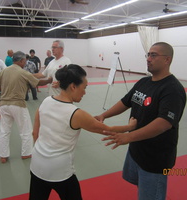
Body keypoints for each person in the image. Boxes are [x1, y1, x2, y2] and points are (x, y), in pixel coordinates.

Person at [29, 64, 137, 200]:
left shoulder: (46, 101)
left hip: (37, 164)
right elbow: (107, 130)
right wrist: (130, 127)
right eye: (84, 87)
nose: (85, 92)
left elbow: (35, 133)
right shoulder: (76, 114)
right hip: (59, 170)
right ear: (73, 86)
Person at [95, 42, 186, 200]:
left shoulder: (173, 89)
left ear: (167, 60)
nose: (148, 58)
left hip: (155, 158)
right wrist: (104, 115)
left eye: (154, 55)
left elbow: (164, 123)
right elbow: (126, 101)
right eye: (148, 54)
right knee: (143, 190)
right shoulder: (144, 82)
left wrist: (128, 136)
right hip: (137, 150)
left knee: (152, 194)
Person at [0, 51, 53, 163]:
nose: (25, 62)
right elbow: (37, 83)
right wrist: (50, 80)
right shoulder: (23, 72)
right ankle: (26, 153)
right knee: (25, 130)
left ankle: (3, 155)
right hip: (17, 104)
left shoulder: (3, 72)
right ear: (22, 60)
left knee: (4, 131)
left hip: (3, 104)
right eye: (25, 61)